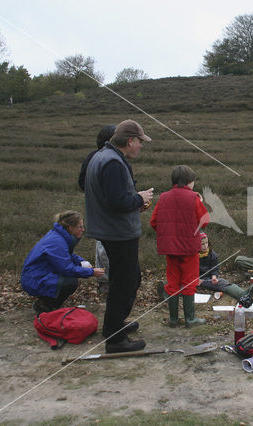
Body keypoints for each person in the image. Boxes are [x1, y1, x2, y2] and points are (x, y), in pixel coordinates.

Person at [85, 119, 154, 353]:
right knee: (125, 283)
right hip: (118, 233)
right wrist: (140, 199)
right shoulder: (113, 162)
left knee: (123, 280)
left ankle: (114, 326)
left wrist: (134, 200)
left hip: (112, 230)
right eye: (140, 142)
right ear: (130, 141)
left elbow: (112, 197)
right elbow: (117, 201)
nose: (141, 147)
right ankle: (115, 340)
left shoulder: (103, 156)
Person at [150, 165, 209, 328]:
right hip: (189, 248)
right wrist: (200, 202)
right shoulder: (193, 198)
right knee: (190, 281)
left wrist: (169, 234)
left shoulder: (163, 197)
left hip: (170, 248)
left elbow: (153, 222)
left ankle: (173, 319)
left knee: (173, 281)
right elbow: (205, 220)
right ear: (189, 182)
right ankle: (190, 319)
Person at [21, 211, 105, 314]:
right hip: (35, 279)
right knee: (70, 282)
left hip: (39, 275)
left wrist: (81, 262)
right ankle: (45, 306)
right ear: (70, 228)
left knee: (69, 280)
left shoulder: (59, 236)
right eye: (80, 227)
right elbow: (66, 269)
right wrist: (91, 272)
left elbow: (66, 255)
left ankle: (48, 303)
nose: (83, 230)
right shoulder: (57, 242)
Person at [79, 125, 116, 295]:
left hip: (110, 209)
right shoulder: (97, 158)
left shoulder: (113, 157)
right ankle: (104, 280)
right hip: (103, 210)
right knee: (103, 246)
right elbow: (83, 182)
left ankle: (112, 279)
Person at [197, 232, 253, 302]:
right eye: (202, 244)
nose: (205, 246)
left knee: (222, 282)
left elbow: (215, 269)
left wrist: (214, 277)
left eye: (206, 243)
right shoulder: (193, 255)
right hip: (194, 280)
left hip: (208, 280)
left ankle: (243, 294)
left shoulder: (212, 254)